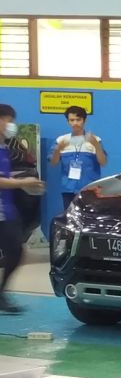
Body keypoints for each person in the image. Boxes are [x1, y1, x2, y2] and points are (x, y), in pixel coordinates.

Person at [0, 104, 45, 314]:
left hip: (7, 209)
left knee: (16, 251)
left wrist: (26, 182)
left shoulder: (6, 147)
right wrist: (22, 182)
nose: (11, 125)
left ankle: (1, 294)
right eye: (8, 120)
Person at [50, 106, 105, 209]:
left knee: (89, 219)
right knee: (70, 218)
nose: (75, 123)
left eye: (78, 120)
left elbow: (103, 162)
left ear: (84, 120)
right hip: (68, 189)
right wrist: (58, 150)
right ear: (68, 121)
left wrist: (96, 146)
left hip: (90, 190)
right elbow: (53, 163)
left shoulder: (95, 140)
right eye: (72, 120)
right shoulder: (61, 140)